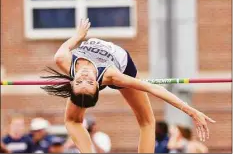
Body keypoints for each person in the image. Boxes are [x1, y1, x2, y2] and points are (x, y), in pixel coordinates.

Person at [41, 18, 215, 153]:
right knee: (74, 121)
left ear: (71, 81)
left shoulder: (62, 59)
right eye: (89, 82)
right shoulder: (112, 76)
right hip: (121, 64)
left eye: (79, 81)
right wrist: (191, 111)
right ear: (98, 85)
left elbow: (70, 44)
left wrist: (78, 36)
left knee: (144, 120)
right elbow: (154, 88)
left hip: (116, 62)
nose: (85, 76)